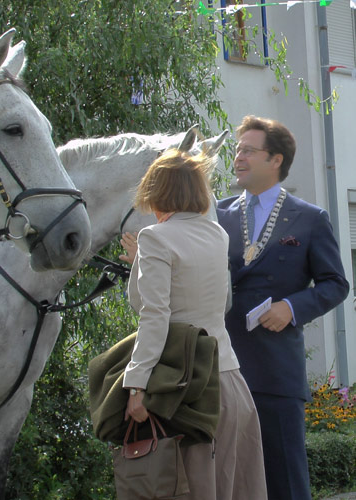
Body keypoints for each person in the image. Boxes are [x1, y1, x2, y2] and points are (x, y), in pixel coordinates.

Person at [121, 148, 267, 499]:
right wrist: (143, 262)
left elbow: (153, 314)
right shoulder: (217, 234)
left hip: (186, 387)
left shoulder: (155, 237)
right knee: (232, 487)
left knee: (190, 488)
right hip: (229, 380)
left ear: (157, 191)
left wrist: (136, 384)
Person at [217, 115, 349, 500]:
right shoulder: (217, 215)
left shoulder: (309, 218)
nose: (238, 157)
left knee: (285, 483)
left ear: (275, 159)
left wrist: (291, 307)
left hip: (275, 370)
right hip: (221, 366)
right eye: (237, 150)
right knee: (226, 482)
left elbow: (336, 284)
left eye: (248, 150)